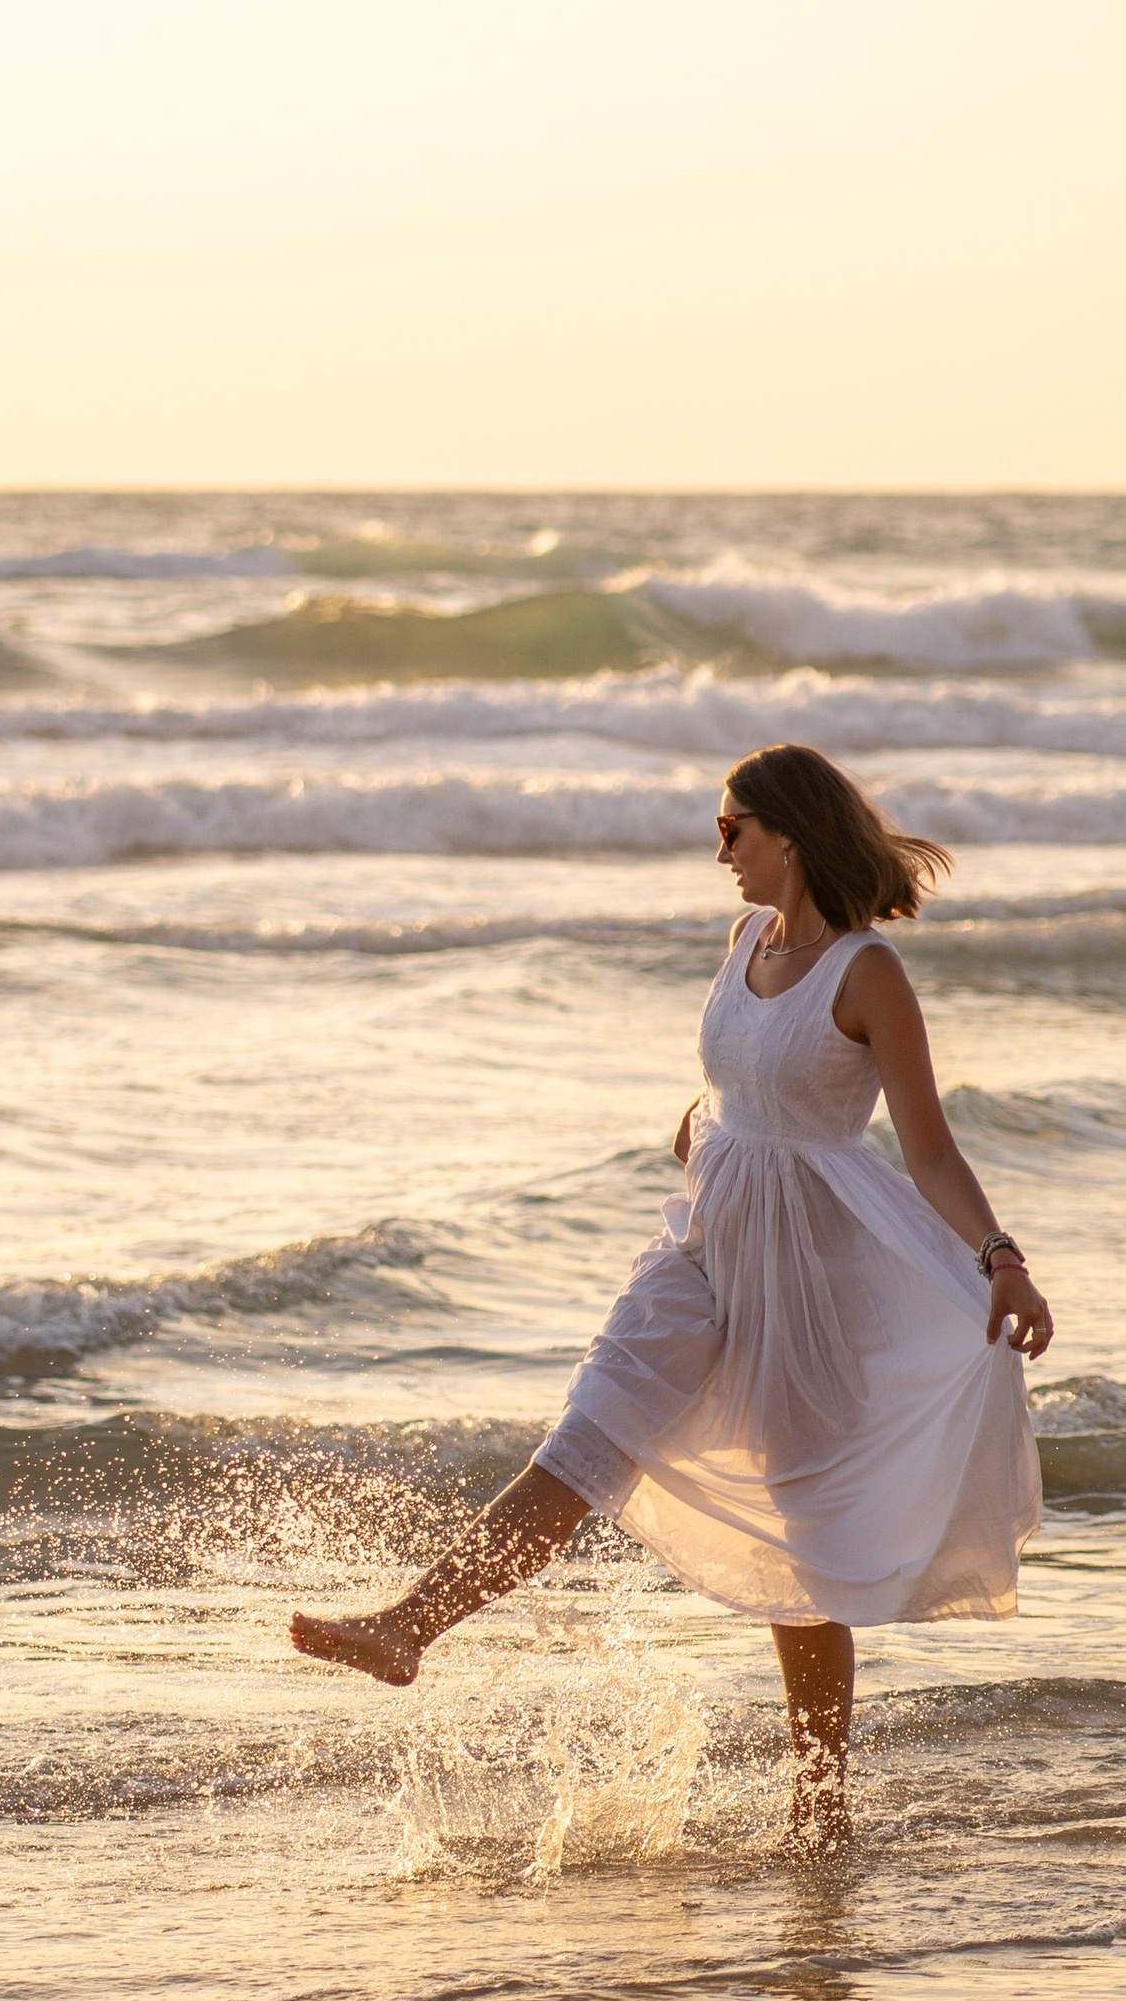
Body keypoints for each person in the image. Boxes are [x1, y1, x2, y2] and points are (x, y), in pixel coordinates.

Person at [291, 743, 1053, 1846]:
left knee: (809, 1539)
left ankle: (820, 1806)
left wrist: (1002, 1259)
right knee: (587, 1438)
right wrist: (707, 1123)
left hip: (810, 1274)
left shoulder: (867, 973)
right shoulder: (745, 938)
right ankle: (410, 1626)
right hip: (701, 1245)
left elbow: (926, 1150)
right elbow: (738, 1078)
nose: (719, 850)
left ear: (787, 833)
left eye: (732, 828)